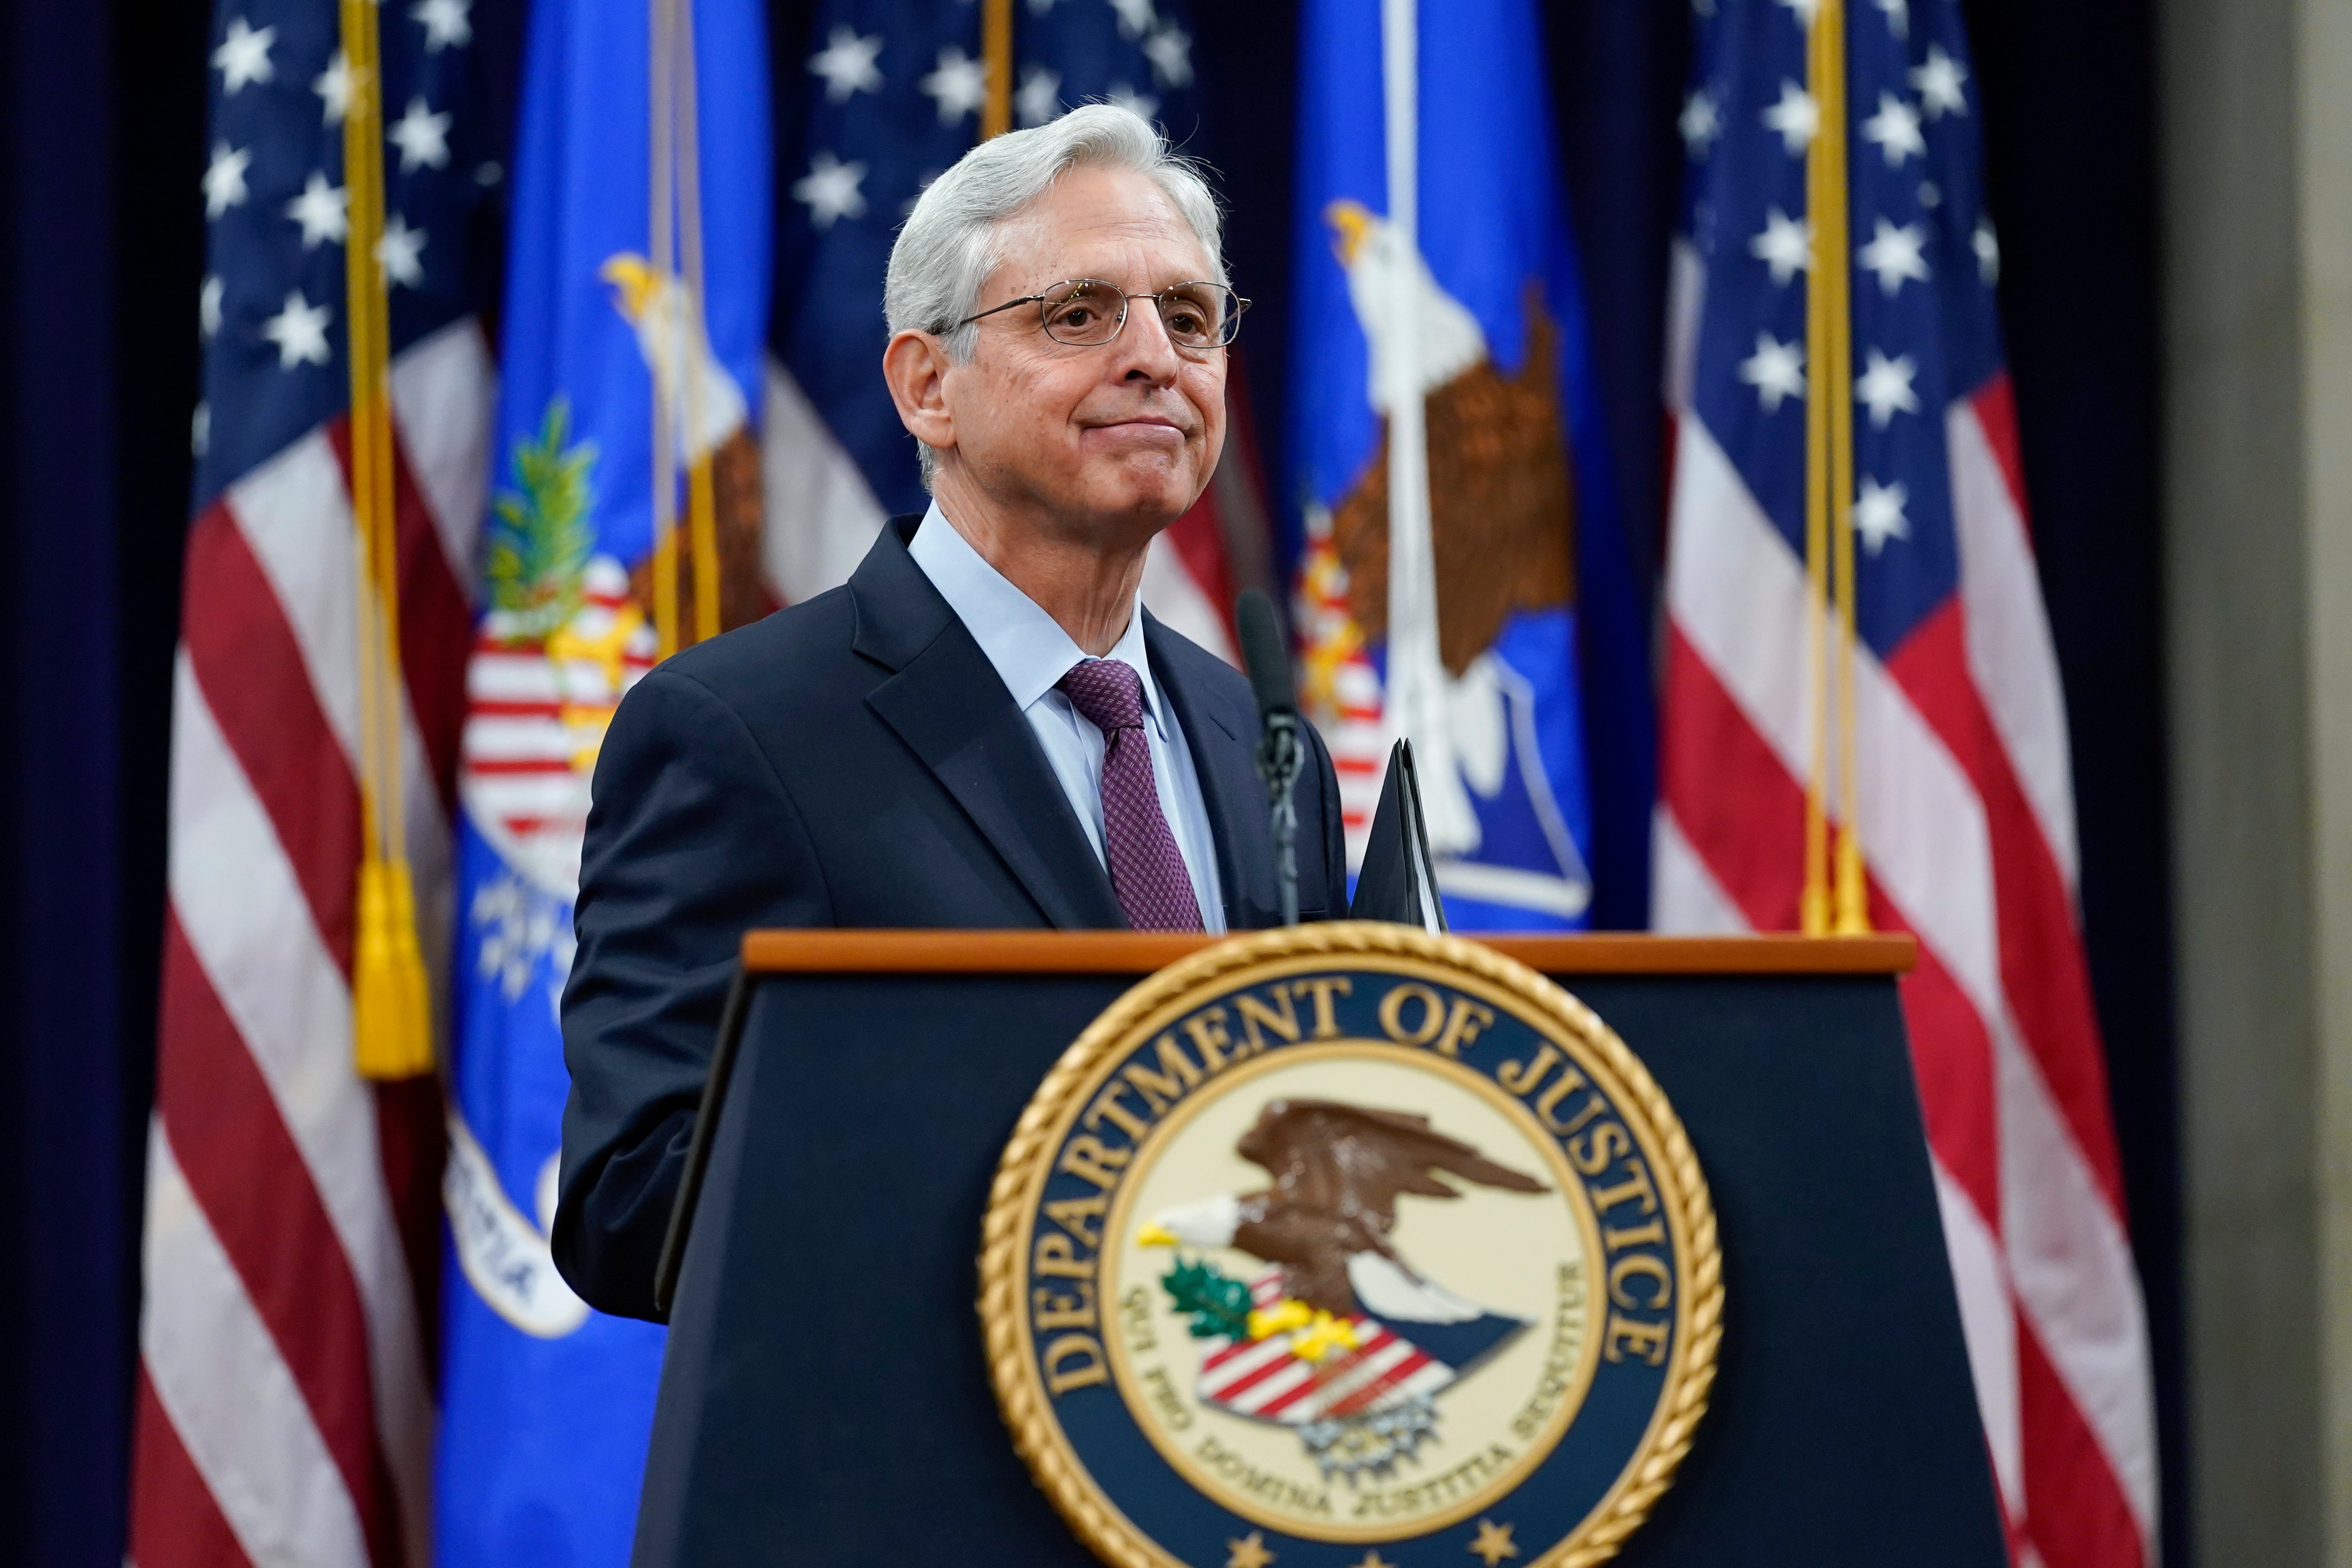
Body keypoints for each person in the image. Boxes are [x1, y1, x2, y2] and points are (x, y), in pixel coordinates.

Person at [553, 105, 1352, 1321]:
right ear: (929, 385)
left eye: (1189, 318)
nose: (1155, 357)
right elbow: (631, 1202)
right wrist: (1056, 1197)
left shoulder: (1257, 737)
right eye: (1080, 314)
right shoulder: (739, 730)